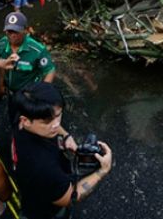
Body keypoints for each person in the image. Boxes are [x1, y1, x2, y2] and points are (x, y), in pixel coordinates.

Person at [13, 82, 113, 219]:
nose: (56, 125)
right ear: (25, 121)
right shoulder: (43, 167)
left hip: (31, 193)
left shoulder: (20, 118)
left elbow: (52, 120)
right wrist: (102, 170)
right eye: (47, 121)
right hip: (44, 212)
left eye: (58, 115)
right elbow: (70, 197)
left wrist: (66, 136)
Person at [0, 11, 56, 98]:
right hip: (10, 91)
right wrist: (1, 84)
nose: (12, 35)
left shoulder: (37, 50)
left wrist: (41, 92)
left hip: (28, 94)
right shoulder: (1, 44)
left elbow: (50, 70)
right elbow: (0, 65)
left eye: (16, 32)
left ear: (26, 30)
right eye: (9, 31)